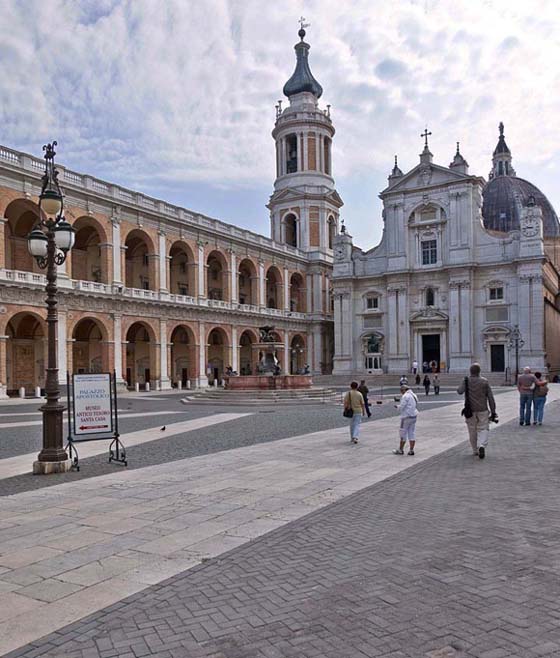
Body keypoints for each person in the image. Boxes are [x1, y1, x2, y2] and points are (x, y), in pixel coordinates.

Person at [457, 363, 497, 459]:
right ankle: (481, 445)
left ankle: (475, 450)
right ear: (479, 372)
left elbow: (459, 391)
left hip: (470, 410)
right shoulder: (484, 381)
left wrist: (464, 384)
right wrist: (493, 411)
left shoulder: (466, 380)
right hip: (483, 409)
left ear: (470, 371)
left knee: (472, 430)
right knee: (483, 428)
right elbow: (490, 398)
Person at [393, 385, 419, 456]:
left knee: (402, 433)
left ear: (403, 390)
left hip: (406, 417)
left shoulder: (405, 396)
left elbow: (402, 407)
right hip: (414, 416)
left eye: (401, 391)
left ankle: (401, 450)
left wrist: (398, 407)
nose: (401, 393)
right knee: (411, 433)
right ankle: (411, 450)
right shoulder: (414, 395)